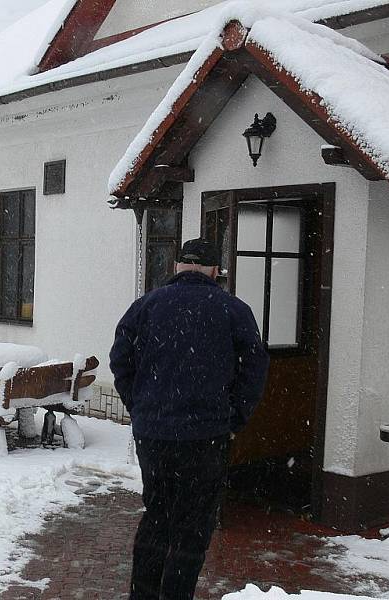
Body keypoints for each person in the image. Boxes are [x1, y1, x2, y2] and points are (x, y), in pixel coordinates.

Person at [110, 238, 270, 600]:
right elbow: (254, 368)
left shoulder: (145, 306)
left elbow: (120, 360)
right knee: (193, 526)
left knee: (157, 516)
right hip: (206, 436)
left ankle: (144, 595)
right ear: (215, 271)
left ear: (178, 266)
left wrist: (141, 407)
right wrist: (234, 416)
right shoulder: (233, 310)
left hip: (155, 436)